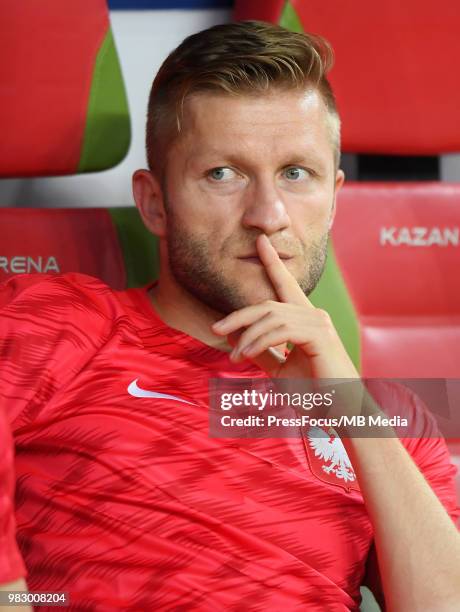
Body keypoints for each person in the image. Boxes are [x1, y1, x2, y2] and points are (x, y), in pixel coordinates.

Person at [1, 20, 459, 612]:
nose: (267, 214)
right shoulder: (63, 321)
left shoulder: (388, 415)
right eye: (223, 174)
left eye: (297, 174)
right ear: (154, 202)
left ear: (335, 197)